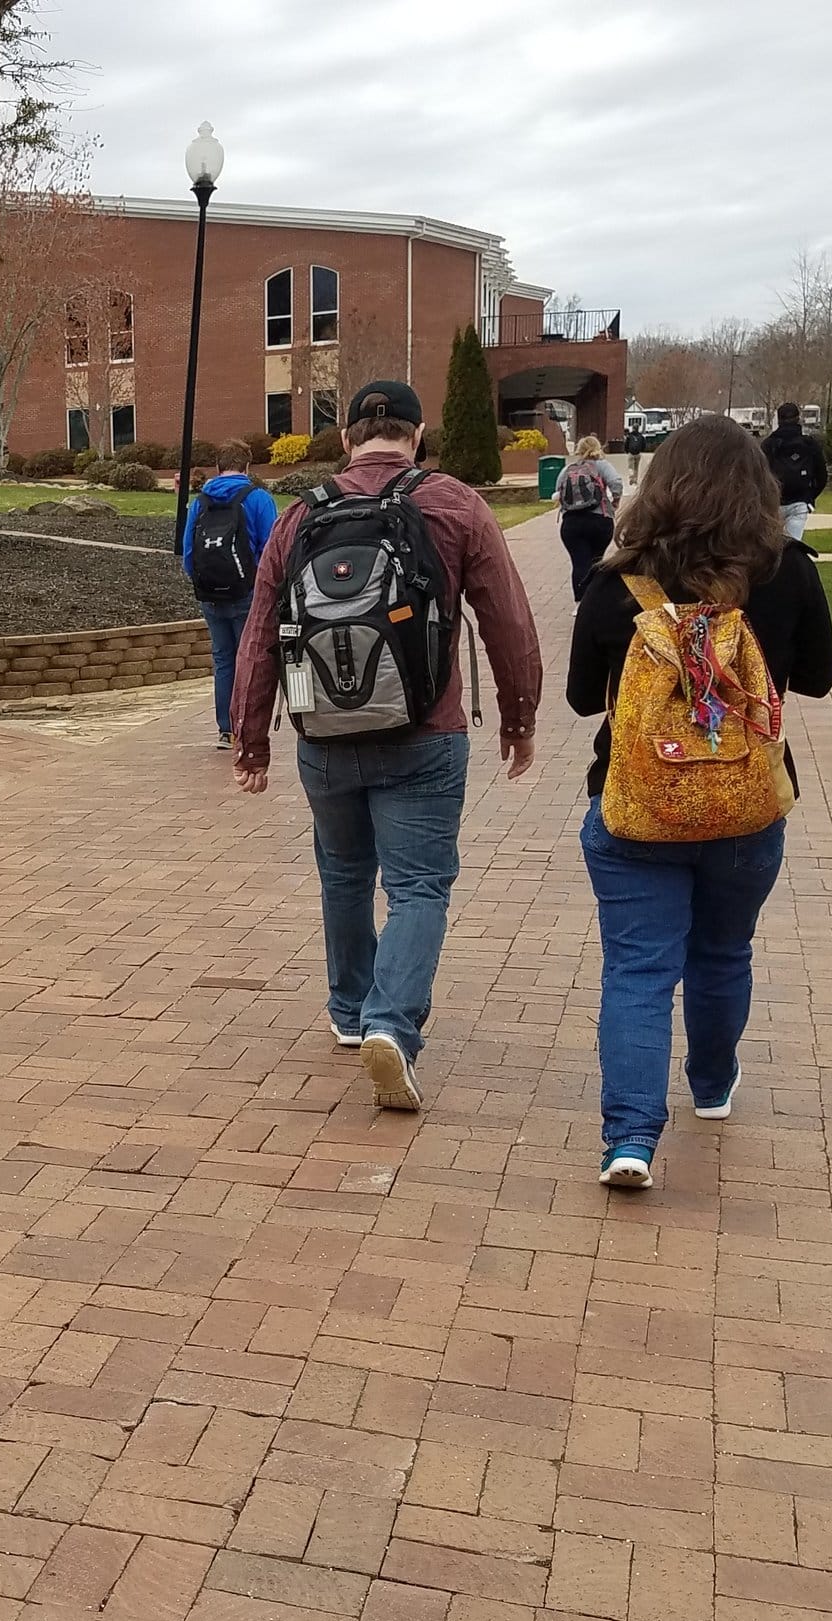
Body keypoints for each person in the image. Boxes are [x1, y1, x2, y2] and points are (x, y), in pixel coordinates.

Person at [230, 381, 545, 1112]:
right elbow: (509, 624)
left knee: (343, 873)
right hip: (425, 734)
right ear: (419, 432)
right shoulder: (456, 504)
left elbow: (259, 633)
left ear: (346, 439)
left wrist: (251, 740)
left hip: (325, 736)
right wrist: (518, 719)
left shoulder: (300, 511)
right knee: (418, 886)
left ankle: (349, 1010)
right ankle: (391, 1023)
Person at [567, 416, 832, 1189]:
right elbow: (816, 678)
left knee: (638, 968)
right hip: (747, 807)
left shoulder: (619, 580)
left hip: (633, 808)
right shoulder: (787, 573)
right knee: (723, 951)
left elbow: (585, 699)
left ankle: (628, 1139)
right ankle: (712, 1086)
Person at [181, 442, 278, 748]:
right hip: (247, 593)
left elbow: (188, 551)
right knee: (250, 658)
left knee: (223, 659)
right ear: (247, 467)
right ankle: (247, 726)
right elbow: (271, 551)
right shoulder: (259, 498)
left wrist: (201, 581)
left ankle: (226, 729)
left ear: (219, 467)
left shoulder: (200, 502)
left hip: (210, 593)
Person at [554, 434, 624, 599]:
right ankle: (594, 600)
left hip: (572, 523)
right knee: (596, 561)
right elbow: (616, 483)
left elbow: (557, 491)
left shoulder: (568, 469)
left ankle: (580, 602)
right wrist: (615, 500)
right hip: (600, 520)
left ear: (579, 450)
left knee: (579, 563)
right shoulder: (602, 465)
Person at [762, 403, 829, 540]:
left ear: (778, 420)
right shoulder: (809, 444)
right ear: (798, 419)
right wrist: (809, 498)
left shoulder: (768, 445)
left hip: (775, 503)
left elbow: (758, 475)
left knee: (773, 547)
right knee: (793, 546)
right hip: (799, 502)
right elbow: (822, 475)